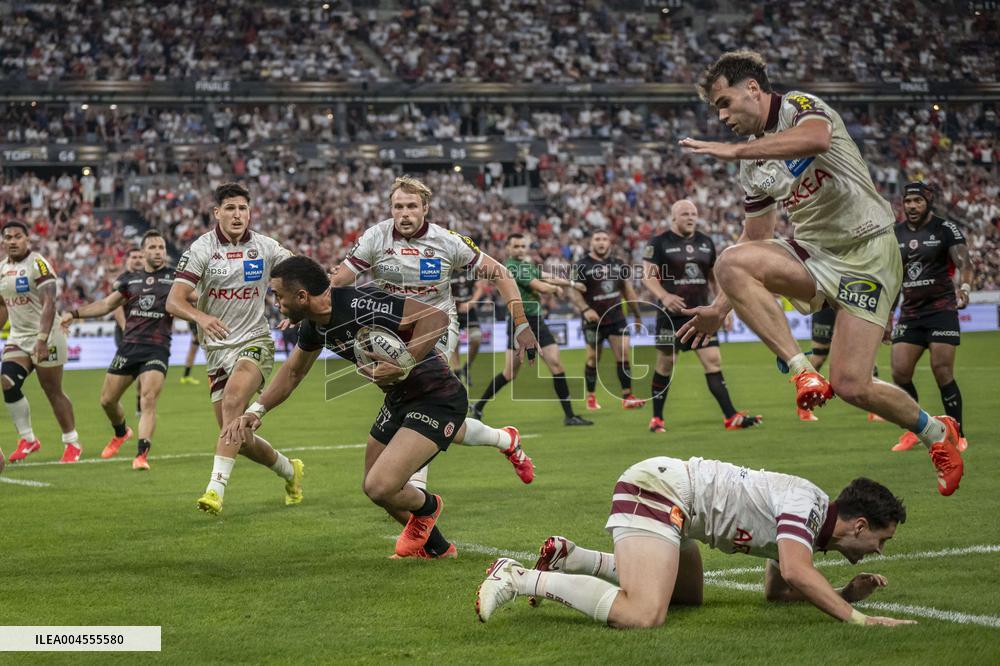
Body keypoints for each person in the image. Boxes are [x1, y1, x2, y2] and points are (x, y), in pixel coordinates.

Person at [676, 50, 964, 495]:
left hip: (870, 251)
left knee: (852, 384)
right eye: (717, 109)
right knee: (732, 259)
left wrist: (736, 150)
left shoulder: (798, 106)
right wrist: (718, 309)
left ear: (752, 88)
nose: (722, 116)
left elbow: (816, 140)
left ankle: (936, 434)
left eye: (725, 102)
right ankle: (801, 371)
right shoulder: (754, 167)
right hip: (815, 254)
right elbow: (755, 238)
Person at [223, 256, 526, 558]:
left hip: (437, 397)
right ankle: (438, 549)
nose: (275, 302)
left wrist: (404, 362)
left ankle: (430, 506)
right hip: (397, 400)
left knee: (381, 486)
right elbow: (292, 372)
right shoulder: (314, 327)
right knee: (378, 491)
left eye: (278, 294)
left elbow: (436, 319)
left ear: (302, 296)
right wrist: (255, 411)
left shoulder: (361, 302)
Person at [476, 456, 915, 629]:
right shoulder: (808, 508)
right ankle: (519, 578)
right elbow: (798, 573)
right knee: (644, 614)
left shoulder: (810, 522)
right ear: (859, 526)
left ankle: (575, 558)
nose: (879, 551)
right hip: (660, 493)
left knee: (687, 597)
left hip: (677, 507)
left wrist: (842, 592)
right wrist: (860, 618)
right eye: (881, 539)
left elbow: (779, 589)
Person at [330, 176, 537, 483]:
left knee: (421, 404)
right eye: (398, 206)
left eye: (412, 206)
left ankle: (416, 495)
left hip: (437, 327)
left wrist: (521, 323)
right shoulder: (376, 237)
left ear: (425, 208)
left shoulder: (447, 241)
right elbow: (339, 281)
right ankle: (506, 440)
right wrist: (307, 308)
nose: (404, 213)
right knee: (439, 419)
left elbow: (500, 273)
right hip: (391, 330)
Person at [165, 182, 302, 514]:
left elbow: (302, 274)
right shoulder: (202, 249)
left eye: (243, 208)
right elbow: (174, 300)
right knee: (237, 438)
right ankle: (289, 470)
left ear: (250, 211)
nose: (237, 214)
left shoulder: (266, 247)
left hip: (254, 341)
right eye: (230, 208)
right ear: (217, 213)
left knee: (232, 402)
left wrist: (297, 310)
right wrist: (202, 317)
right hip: (216, 351)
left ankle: (215, 490)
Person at [642, 200, 760, 433]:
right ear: (673, 217)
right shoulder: (659, 243)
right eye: (685, 213)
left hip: (702, 314)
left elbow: (715, 278)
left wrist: (722, 307)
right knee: (666, 363)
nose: (690, 217)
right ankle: (656, 419)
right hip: (670, 315)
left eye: (694, 214)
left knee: (712, 360)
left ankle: (731, 417)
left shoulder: (706, 243)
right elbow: (648, 276)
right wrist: (664, 296)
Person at [61, 230, 174, 470]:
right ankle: (121, 432)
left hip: (157, 347)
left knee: (148, 398)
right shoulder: (129, 280)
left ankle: (142, 455)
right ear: (142, 252)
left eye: (161, 247)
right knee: (107, 401)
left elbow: (197, 297)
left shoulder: (174, 280)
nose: (158, 251)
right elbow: (105, 304)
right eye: (152, 247)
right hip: (129, 346)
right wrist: (73, 314)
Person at [472, 233, 594, 426]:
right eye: (516, 246)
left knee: (556, 364)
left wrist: (570, 283)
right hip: (519, 322)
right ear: (509, 249)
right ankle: (478, 406)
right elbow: (541, 286)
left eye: (523, 246)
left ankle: (569, 415)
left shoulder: (527, 266)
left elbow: (546, 276)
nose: (520, 249)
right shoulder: (511, 267)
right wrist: (554, 289)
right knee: (510, 373)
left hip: (537, 320)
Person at [891, 181, 972, 453]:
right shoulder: (895, 233)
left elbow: (965, 262)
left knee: (942, 371)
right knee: (899, 373)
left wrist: (965, 287)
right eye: (908, 202)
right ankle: (915, 430)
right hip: (911, 314)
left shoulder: (945, 228)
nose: (912, 206)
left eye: (917, 201)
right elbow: (892, 278)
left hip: (941, 311)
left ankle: (957, 432)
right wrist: (886, 317)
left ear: (928, 202)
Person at [1, 220, 82, 463]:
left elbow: (50, 303)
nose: (13, 241)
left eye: (18, 236)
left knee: (52, 391)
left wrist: (42, 339)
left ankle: (72, 442)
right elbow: (2, 306)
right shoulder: (2, 269)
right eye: (8, 237)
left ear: (28, 240)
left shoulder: (38, 263)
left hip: (47, 335)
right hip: (18, 337)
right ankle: (28, 439)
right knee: (7, 382)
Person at [568, 230, 644, 411]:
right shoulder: (581, 265)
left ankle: (628, 396)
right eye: (597, 239)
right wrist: (586, 309)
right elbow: (574, 292)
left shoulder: (618, 264)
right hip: (593, 320)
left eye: (604, 239)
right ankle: (591, 397)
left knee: (624, 354)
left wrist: (637, 313)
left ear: (609, 242)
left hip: (616, 317)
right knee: (593, 358)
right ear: (591, 243)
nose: (601, 242)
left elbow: (628, 290)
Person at [113, 248, 145, 417]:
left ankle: (140, 405)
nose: (138, 260)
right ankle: (112, 400)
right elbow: (116, 307)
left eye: (140, 257)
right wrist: (126, 328)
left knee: (144, 371)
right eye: (134, 257)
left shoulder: (148, 278)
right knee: (124, 372)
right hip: (125, 333)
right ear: (128, 260)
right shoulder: (122, 280)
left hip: (144, 333)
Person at [451, 267, 486, 385]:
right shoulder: (448, 271)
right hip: (453, 311)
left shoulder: (470, 271)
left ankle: (467, 367)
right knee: (454, 342)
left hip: (469, 311)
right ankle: (457, 372)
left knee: (477, 339)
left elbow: (480, 288)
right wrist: (454, 304)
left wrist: (470, 303)